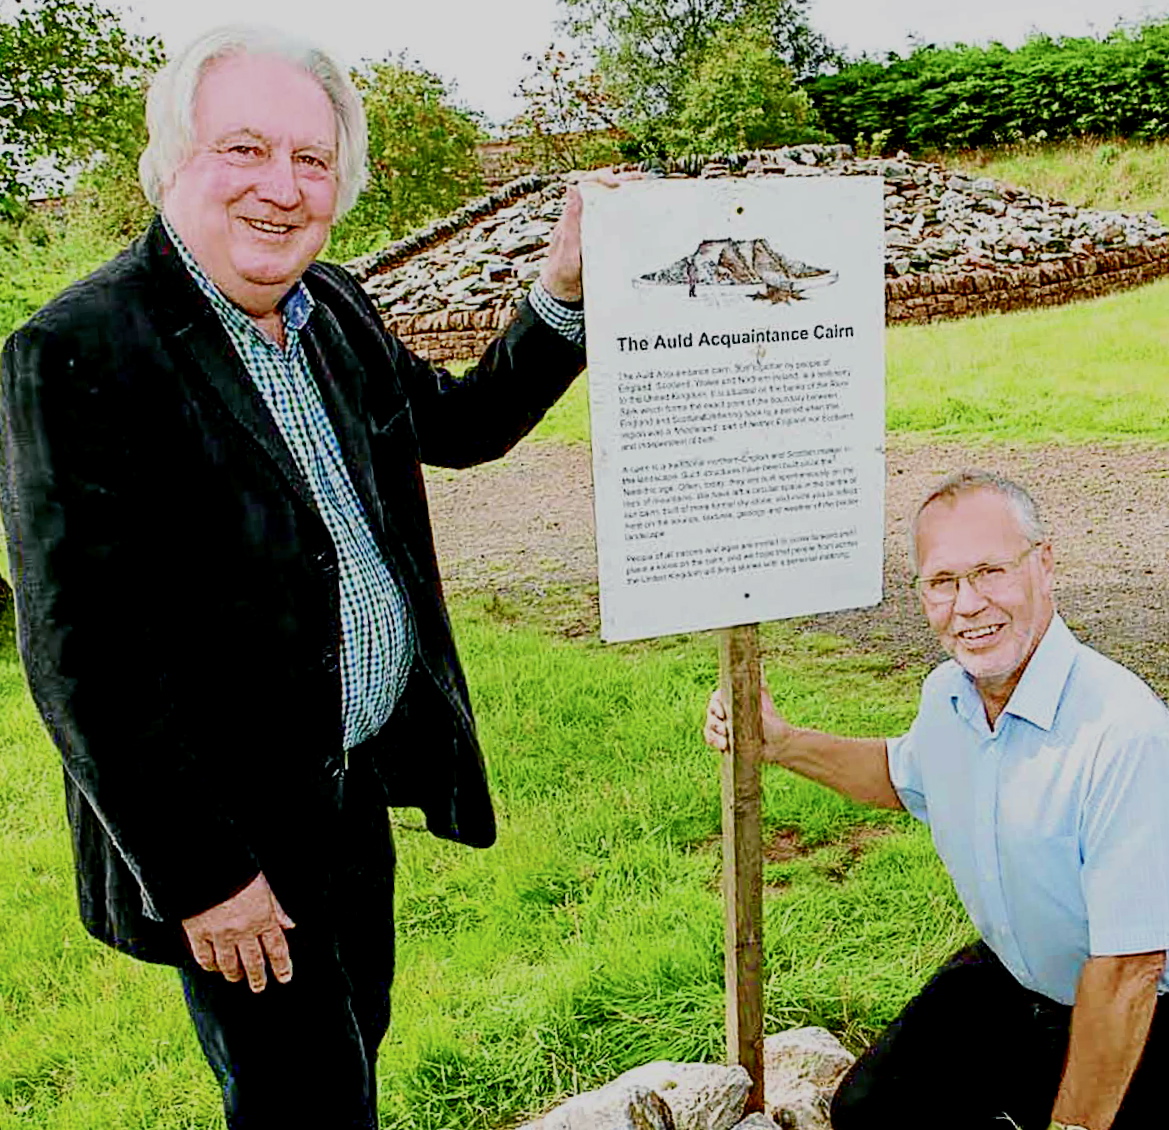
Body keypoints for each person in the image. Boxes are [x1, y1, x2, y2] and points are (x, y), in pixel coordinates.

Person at [0, 24, 607, 1130]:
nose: (280, 187)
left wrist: (560, 290)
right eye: (243, 149)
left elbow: (463, 426)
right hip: (230, 837)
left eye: (311, 160)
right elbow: (81, 656)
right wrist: (202, 875)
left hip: (348, 788)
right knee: (304, 1100)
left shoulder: (337, 310)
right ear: (171, 161)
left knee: (351, 1046)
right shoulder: (80, 349)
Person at [704, 470, 1169, 1130]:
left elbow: (1128, 968)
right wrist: (776, 741)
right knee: (871, 1110)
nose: (968, 604)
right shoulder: (947, 697)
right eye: (942, 582)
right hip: (1014, 976)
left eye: (989, 572)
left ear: (1043, 564)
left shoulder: (1122, 732)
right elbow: (901, 776)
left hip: (1137, 1008)